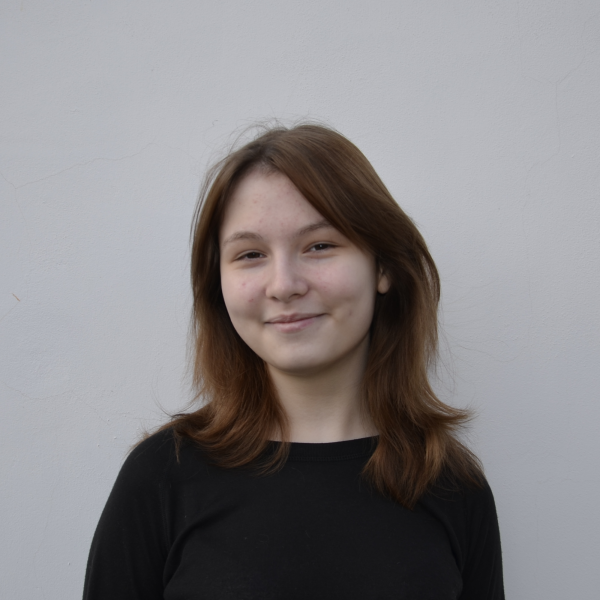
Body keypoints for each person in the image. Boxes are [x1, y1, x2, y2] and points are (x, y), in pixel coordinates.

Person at [83, 123, 504, 599]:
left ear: (383, 266)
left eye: (319, 246)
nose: (284, 285)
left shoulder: (452, 486)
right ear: (218, 283)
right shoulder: (161, 478)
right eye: (250, 254)